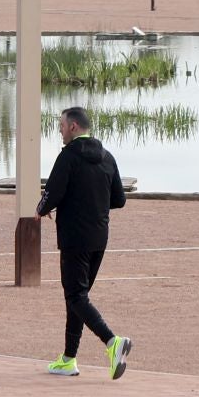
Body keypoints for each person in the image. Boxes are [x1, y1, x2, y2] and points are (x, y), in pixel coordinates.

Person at [37, 106, 133, 380]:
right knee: (78, 298)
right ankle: (68, 359)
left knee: (76, 296)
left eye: (62, 125)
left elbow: (52, 192)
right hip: (99, 238)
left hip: (74, 238)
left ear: (74, 127)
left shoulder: (68, 157)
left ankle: (113, 342)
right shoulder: (107, 157)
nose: (59, 130)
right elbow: (119, 200)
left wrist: (40, 210)